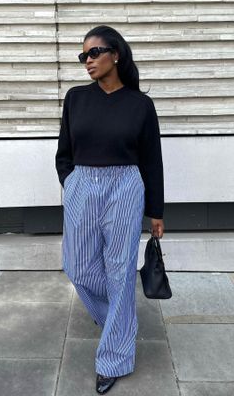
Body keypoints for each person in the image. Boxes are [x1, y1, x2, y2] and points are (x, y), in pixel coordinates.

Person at [55, 25, 164, 394]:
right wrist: (71, 183)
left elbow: (152, 161)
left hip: (125, 188)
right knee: (78, 265)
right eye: (83, 55)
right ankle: (120, 321)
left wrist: (156, 212)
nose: (87, 61)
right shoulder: (75, 98)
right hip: (83, 185)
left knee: (119, 271)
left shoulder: (140, 105)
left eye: (94, 52)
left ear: (115, 54)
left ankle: (114, 356)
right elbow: (64, 153)